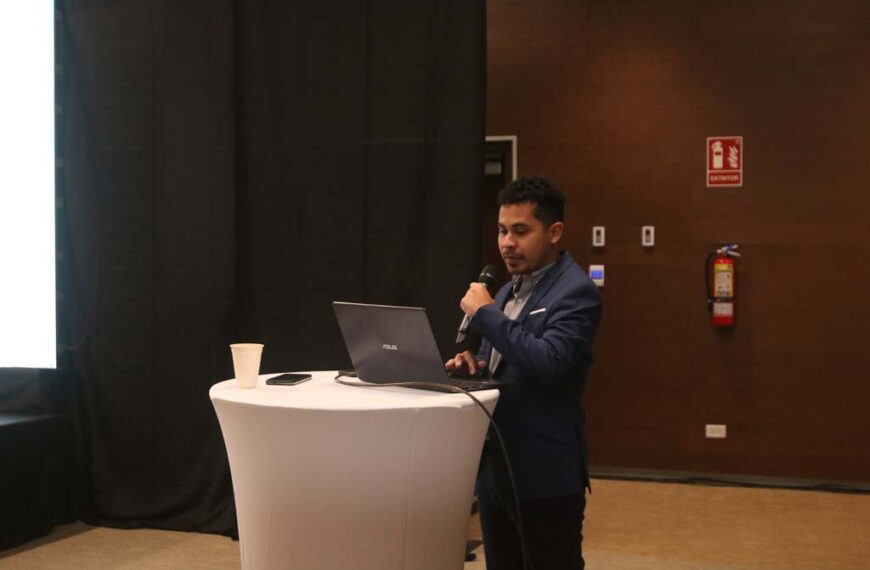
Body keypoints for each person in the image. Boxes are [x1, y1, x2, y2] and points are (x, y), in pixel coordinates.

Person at [446, 176, 602, 570]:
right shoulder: (506, 291)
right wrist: (475, 366)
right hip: (497, 472)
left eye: (520, 231)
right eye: (502, 231)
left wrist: (486, 314)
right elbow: (506, 359)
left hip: (545, 474)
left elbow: (549, 361)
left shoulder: (576, 292)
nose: (507, 243)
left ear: (554, 232)